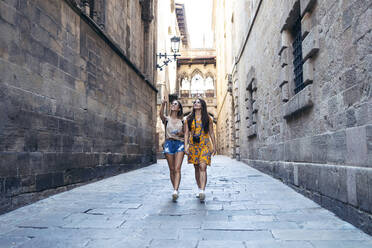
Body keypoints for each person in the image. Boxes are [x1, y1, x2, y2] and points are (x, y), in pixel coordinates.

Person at [185, 98, 217, 202]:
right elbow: (186, 133)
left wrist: (214, 146)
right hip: (193, 145)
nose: (195, 103)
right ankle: (199, 188)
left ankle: (202, 190)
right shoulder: (189, 119)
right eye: (194, 102)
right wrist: (186, 145)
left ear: (202, 105)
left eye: (198, 102)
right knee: (196, 167)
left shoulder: (207, 118)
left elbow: (211, 132)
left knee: (203, 166)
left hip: (205, 145)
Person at [159, 97, 185, 202]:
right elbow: (161, 115)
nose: (173, 105)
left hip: (180, 144)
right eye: (172, 104)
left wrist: (180, 134)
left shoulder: (182, 121)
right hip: (169, 143)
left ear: (179, 108)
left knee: (177, 168)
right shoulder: (167, 119)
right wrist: (163, 104)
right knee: (172, 169)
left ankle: (175, 190)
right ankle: (175, 187)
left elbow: (186, 133)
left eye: (175, 104)